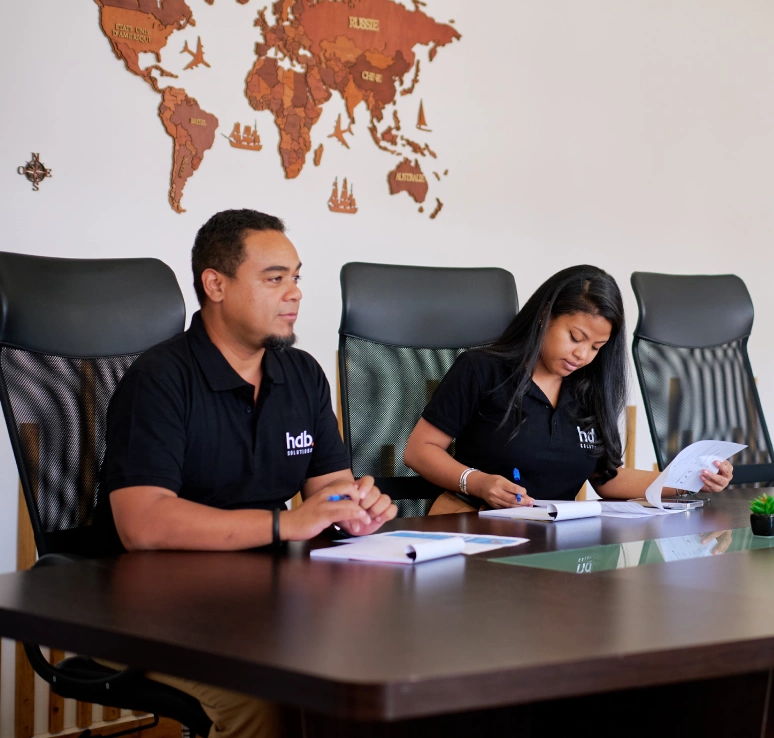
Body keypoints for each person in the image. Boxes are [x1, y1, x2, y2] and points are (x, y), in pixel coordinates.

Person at [92, 209, 398, 737]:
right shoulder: (160, 379)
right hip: (149, 605)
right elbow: (143, 524)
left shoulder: (301, 373)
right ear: (216, 285)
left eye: (296, 277)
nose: (295, 293)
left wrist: (353, 506)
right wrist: (286, 524)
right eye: (274, 279)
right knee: (263, 698)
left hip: (263, 595)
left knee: (367, 662)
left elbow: (327, 484)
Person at [404, 265, 734, 513]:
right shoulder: (481, 369)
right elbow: (419, 450)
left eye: (596, 347)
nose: (583, 355)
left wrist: (689, 481)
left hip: (548, 537)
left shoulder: (588, 390)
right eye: (575, 337)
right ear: (545, 315)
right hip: (471, 523)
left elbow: (607, 480)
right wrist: (478, 482)